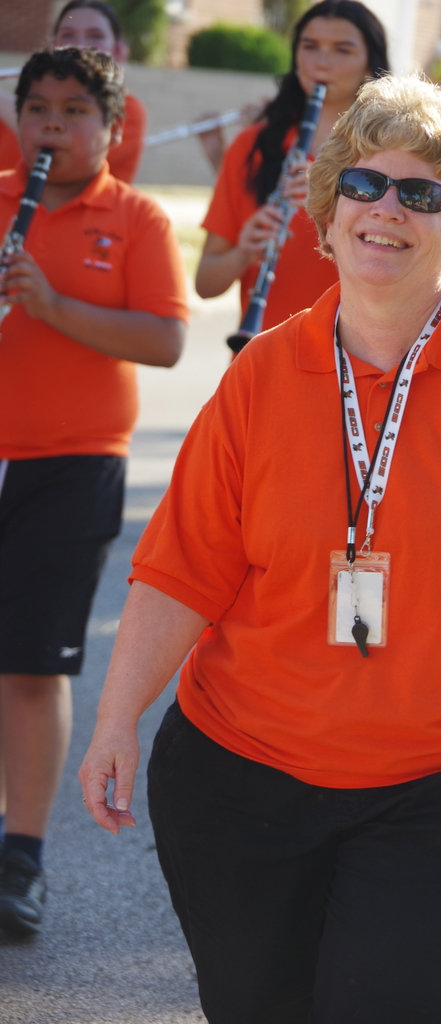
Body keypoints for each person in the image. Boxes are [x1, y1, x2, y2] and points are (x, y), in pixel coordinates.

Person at [80, 75, 441, 1024]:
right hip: (244, 779)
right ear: (327, 215)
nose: (388, 210)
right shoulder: (263, 374)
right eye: (365, 185)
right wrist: (116, 717)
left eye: (423, 193)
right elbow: (183, 569)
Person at [0, 47, 188, 937]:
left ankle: (22, 855)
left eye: (74, 112)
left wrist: (51, 304)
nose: (51, 127)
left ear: (112, 128)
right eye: (36, 108)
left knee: (32, 666)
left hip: (73, 464)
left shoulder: (139, 218)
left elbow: (163, 342)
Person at [196, 0, 389, 333]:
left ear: (370, 66)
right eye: (310, 47)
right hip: (262, 358)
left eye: (342, 50)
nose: (321, 62)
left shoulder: (392, 155)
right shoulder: (253, 146)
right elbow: (206, 284)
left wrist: (335, 193)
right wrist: (244, 252)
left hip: (359, 360)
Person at [0, 0, 147, 183]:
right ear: (53, 48)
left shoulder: (128, 110)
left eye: (96, 36)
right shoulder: (22, 103)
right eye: (68, 35)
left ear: (119, 51)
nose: (79, 46)